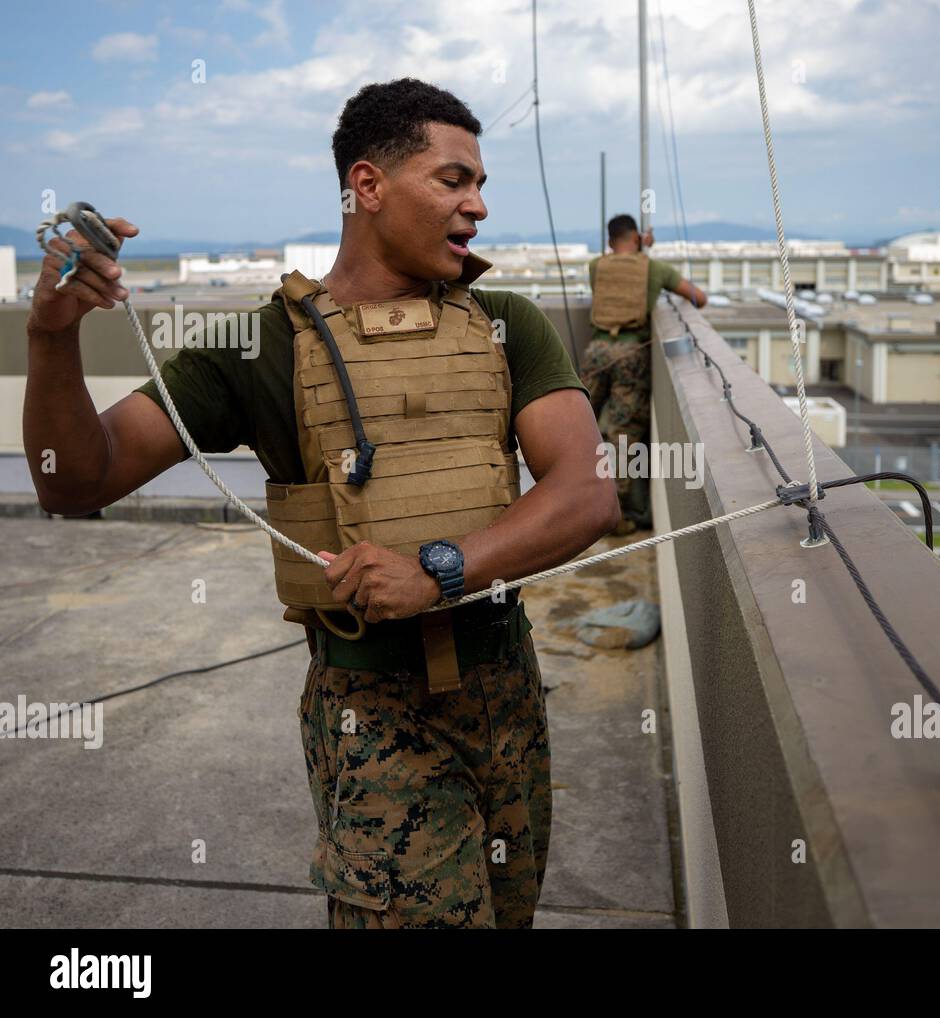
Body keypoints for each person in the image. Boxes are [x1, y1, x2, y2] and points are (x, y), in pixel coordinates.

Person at [22, 78, 621, 928]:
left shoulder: (504, 324)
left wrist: (437, 570)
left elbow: (587, 492)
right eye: (454, 180)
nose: (478, 206)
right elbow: (72, 478)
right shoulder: (263, 343)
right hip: (372, 717)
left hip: (507, 694)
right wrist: (51, 336)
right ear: (368, 186)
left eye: (481, 184)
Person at [581, 214, 707, 533]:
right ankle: (618, 515)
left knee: (581, 425)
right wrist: (646, 253)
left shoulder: (597, 266)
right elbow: (698, 298)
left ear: (610, 241)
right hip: (631, 355)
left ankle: (575, 498)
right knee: (624, 435)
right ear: (637, 237)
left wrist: (638, 248)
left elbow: (620, 268)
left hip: (596, 351)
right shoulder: (653, 268)